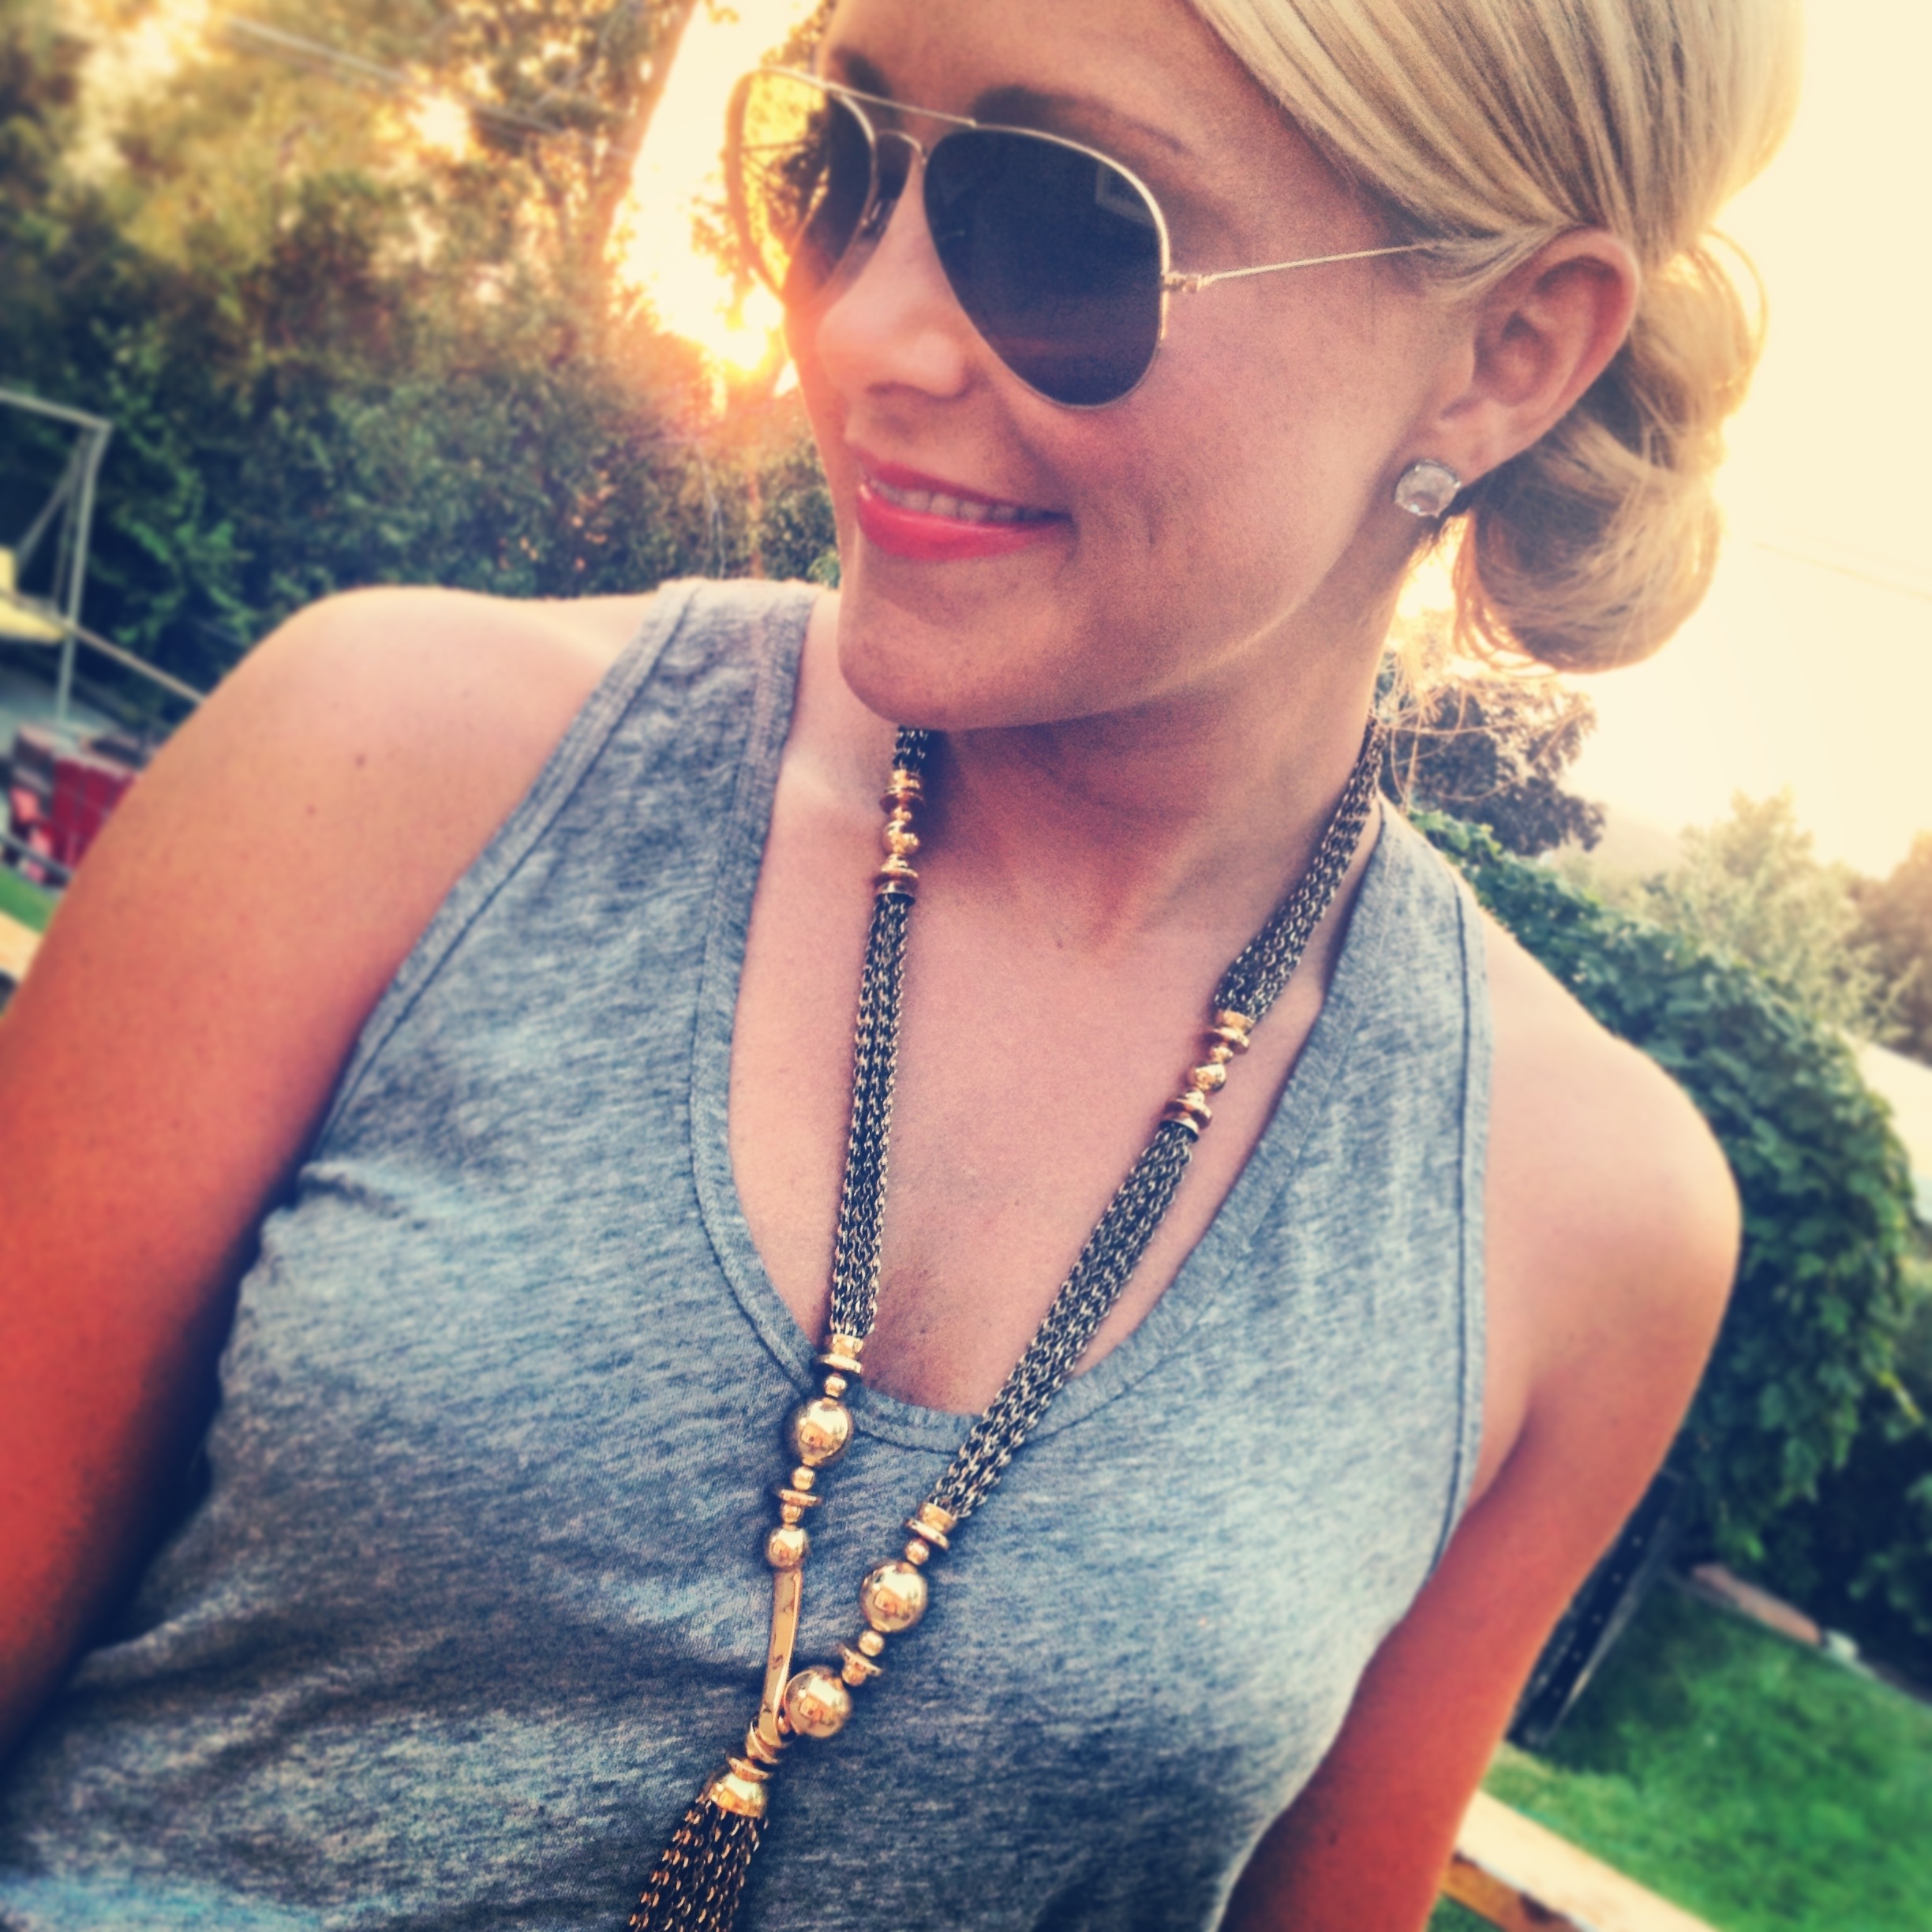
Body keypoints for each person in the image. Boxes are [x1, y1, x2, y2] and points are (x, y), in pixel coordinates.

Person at [0, 0, 1801, 1926]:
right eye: (836, 166)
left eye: (1066, 227)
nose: (860, 332)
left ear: (1509, 351)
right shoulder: (385, 764)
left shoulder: (1576, 1222)